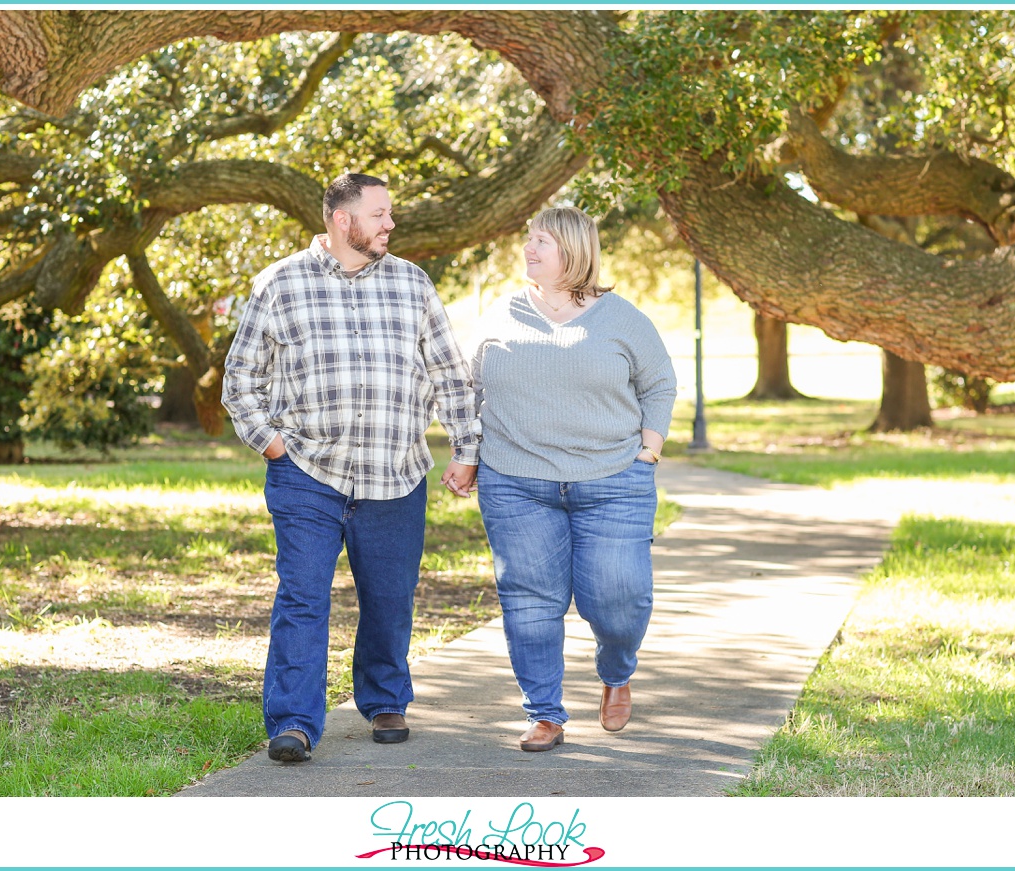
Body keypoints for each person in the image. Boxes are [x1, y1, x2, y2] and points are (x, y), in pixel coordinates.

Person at [222, 172, 479, 763]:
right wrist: (272, 445)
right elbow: (241, 380)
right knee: (303, 596)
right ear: (343, 219)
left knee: (390, 596)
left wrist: (467, 447)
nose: (391, 223)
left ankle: (386, 697)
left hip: (396, 471)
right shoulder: (280, 283)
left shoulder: (413, 284)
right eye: (381, 213)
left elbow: (448, 372)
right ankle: (293, 722)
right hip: (307, 472)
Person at [470, 206, 677, 752]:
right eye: (528, 240)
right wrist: (466, 453)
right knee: (530, 601)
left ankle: (616, 671)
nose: (529, 250)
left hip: (614, 479)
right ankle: (545, 714)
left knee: (619, 598)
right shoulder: (499, 314)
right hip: (515, 481)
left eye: (542, 242)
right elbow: (466, 390)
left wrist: (649, 449)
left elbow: (659, 384)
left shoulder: (621, 318)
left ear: (575, 250)